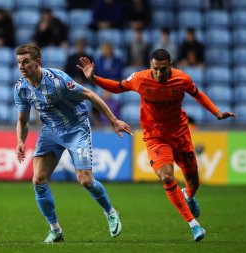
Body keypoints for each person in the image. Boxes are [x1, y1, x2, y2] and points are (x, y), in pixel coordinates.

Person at [77, 49, 237, 242]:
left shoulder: (182, 79)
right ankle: (194, 225)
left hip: (180, 135)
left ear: (171, 65)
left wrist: (217, 113)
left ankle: (189, 195)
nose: (159, 74)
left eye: (163, 69)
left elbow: (198, 94)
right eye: (155, 69)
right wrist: (94, 78)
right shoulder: (140, 79)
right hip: (155, 137)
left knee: (193, 182)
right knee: (167, 177)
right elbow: (118, 87)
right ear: (150, 66)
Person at [14, 44, 132, 243]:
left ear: (37, 62)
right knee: (38, 179)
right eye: (19, 62)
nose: (21, 67)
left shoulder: (58, 81)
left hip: (76, 128)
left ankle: (110, 212)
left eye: (25, 62)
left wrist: (113, 120)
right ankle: (55, 230)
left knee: (85, 180)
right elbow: (23, 121)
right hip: (51, 131)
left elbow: (90, 95)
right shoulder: (21, 88)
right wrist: (20, 141)